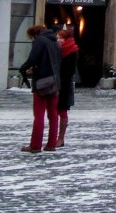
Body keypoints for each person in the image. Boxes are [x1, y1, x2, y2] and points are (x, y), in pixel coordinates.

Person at [18, 24, 61, 153]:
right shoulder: (55, 42)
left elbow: (33, 58)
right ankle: (51, 144)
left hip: (42, 81)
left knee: (39, 114)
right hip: (55, 81)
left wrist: (24, 68)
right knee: (53, 115)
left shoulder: (40, 41)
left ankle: (35, 145)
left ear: (35, 34)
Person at [56, 28, 78, 147]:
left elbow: (69, 71)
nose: (58, 40)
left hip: (64, 86)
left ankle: (60, 138)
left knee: (62, 111)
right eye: (57, 37)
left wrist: (60, 81)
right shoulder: (57, 50)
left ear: (66, 39)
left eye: (61, 38)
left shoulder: (71, 51)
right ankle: (54, 137)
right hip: (56, 84)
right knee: (54, 111)